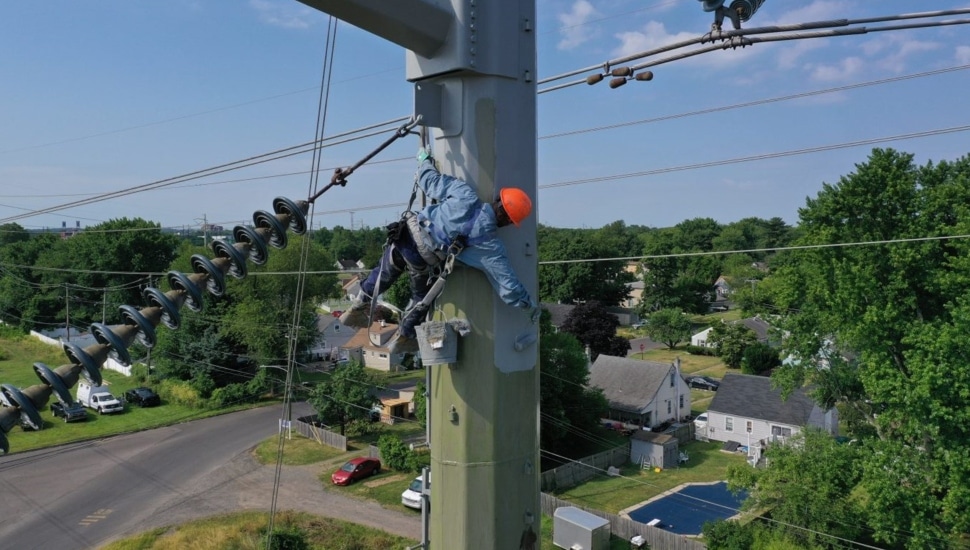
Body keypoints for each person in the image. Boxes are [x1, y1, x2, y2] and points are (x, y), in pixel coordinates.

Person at [340, 147, 538, 354]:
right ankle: (404, 336)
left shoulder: (465, 194)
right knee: (421, 299)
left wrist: (424, 160)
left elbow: (430, 181)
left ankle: (358, 305)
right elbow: (509, 286)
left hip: (405, 237)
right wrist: (529, 306)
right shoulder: (489, 245)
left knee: (382, 274)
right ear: (507, 222)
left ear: (498, 199)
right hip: (423, 258)